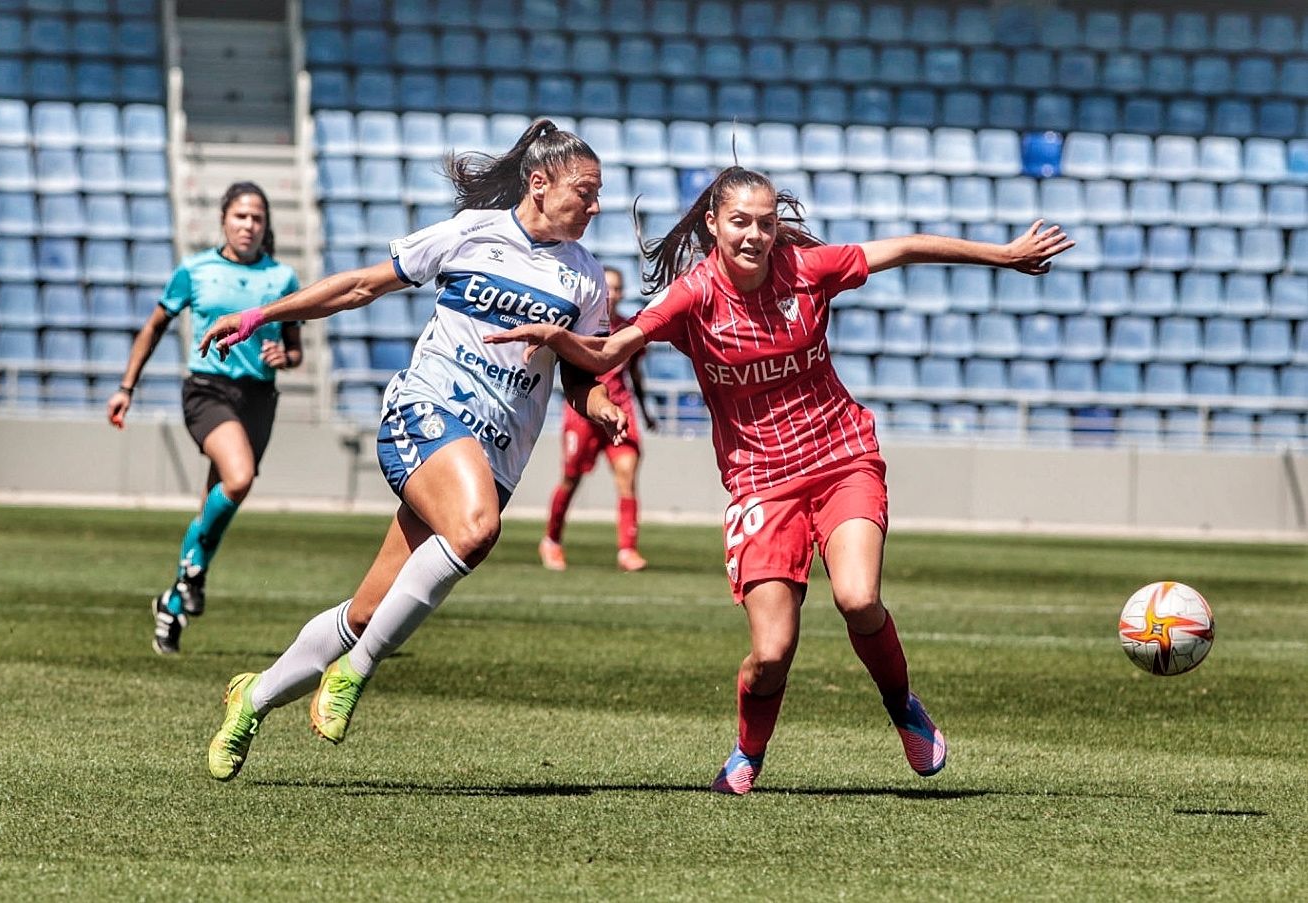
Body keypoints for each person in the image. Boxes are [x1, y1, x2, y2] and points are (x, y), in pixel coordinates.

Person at [486, 166, 1075, 793]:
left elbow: (903, 247)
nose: (755, 235)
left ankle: (903, 706)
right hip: (760, 481)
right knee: (771, 655)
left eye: (766, 223)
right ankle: (748, 751)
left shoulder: (806, 269)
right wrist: (559, 337)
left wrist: (1004, 256)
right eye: (740, 221)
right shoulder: (691, 297)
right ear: (714, 224)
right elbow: (607, 354)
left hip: (842, 456)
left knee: (858, 597)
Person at [200, 119, 623, 781]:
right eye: (585, 192)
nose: (595, 207)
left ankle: (249, 698)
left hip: (493, 455)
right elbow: (362, 285)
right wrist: (265, 314)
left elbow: (582, 372)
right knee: (477, 528)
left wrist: (598, 403)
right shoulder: (471, 233)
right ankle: (355, 670)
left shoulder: (586, 279)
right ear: (539, 185)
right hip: (425, 413)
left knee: (368, 609)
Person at [107, 181, 302, 655]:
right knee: (239, 477)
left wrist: (285, 357)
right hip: (207, 391)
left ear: (266, 225)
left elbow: (294, 349)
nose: (249, 226)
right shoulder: (194, 270)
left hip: (258, 397)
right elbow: (154, 327)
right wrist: (126, 387)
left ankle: (173, 602)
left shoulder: (282, 278)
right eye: (240, 216)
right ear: (223, 220)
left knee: (219, 502)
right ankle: (191, 578)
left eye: (257, 218)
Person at [539, 264, 657, 573]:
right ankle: (551, 540)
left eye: (618, 288)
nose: (613, 294)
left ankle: (627, 550)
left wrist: (646, 413)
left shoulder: (629, 330)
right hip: (585, 412)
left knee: (627, 476)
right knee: (571, 477)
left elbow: (635, 373)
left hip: (620, 409)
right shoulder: (579, 326)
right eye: (609, 288)